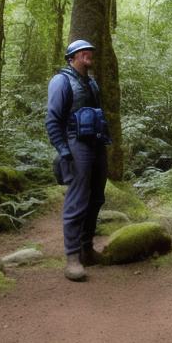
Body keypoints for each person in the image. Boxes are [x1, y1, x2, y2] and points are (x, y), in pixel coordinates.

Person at [45, 39, 109, 282]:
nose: (89, 55)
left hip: (97, 144)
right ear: (72, 56)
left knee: (96, 198)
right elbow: (52, 119)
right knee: (78, 200)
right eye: (84, 52)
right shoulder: (61, 81)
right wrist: (63, 150)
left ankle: (86, 249)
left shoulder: (91, 83)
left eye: (90, 51)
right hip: (76, 144)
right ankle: (72, 258)